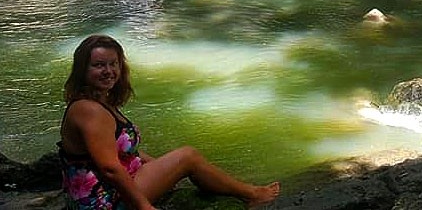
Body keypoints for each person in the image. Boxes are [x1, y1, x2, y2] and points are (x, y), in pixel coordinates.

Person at [59, 34, 280, 210]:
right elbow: (110, 169)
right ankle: (252, 194)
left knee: (183, 159)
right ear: (83, 70)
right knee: (188, 156)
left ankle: (245, 191)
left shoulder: (99, 101)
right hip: (102, 201)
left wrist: (161, 168)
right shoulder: (89, 110)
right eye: (99, 65)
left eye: (113, 64)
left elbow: (123, 152)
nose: (108, 71)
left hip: (109, 191)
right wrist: (145, 206)